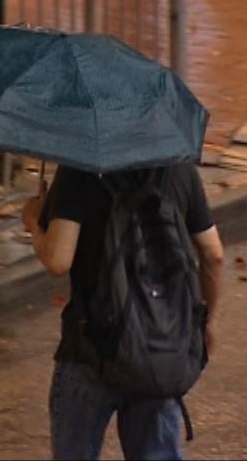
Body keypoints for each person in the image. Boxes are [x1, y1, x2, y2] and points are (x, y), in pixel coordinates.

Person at [21, 162, 225, 461]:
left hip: (91, 349)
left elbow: (58, 259)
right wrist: (207, 322)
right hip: (159, 350)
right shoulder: (178, 167)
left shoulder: (79, 168)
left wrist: (33, 220)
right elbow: (213, 254)